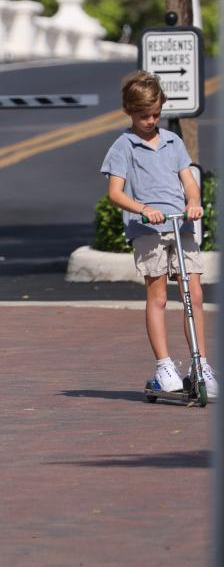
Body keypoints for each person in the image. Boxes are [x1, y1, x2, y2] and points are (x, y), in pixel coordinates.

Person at [100, 70, 218, 399]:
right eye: (143, 116)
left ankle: (200, 364)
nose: (150, 121)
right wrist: (142, 209)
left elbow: (189, 181)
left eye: (155, 114)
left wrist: (194, 202)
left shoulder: (172, 141)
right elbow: (115, 193)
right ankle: (164, 365)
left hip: (180, 227)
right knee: (159, 297)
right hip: (148, 229)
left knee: (194, 295)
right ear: (128, 112)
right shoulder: (124, 145)